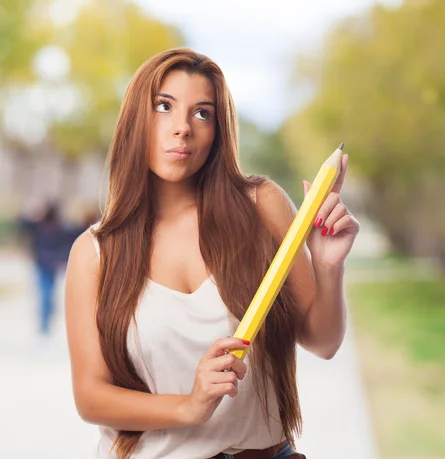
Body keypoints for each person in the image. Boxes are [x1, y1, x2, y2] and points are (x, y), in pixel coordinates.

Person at [64, 48, 360, 459]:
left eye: (202, 113)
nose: (182, 128)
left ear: (218, 131)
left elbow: (323, 341)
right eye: (164, 107)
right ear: (136, 118)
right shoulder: (94, 253)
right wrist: (189, 405)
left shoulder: (261, 205)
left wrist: (328, 265)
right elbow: (91, 398)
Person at [18, 201, 77, 336]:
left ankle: (47, 320)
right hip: (42, 264)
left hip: (51, 264)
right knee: (46, 293)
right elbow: (20, 223)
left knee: (48, 293)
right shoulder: (38, 225)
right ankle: (45, 323)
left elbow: (73, 238)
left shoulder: (60, 227)